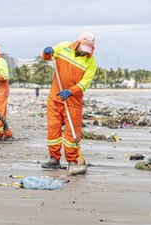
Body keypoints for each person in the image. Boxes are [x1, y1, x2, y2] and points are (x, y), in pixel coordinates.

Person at [41, 32, 96, 175]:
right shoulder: (63, 47)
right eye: (83, 48)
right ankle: (54, 159)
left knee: (72, 132)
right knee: (53, 129)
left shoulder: (91, 62)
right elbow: (48, 57)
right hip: (55, 97)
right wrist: (47, 53)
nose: (84, 52)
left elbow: (85, 83)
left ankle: (72, 160)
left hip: (73, 101)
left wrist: (71, 91)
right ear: (78, 43)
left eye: (87, 50)